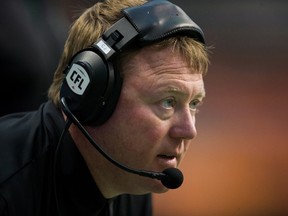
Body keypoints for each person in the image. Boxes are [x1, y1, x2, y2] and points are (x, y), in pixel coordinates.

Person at [0, 0, 210, 215]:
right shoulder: (9, 187)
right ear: (93, 94)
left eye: (194, 104)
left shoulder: (130, 178)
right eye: (168, 102)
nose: (189, 131)